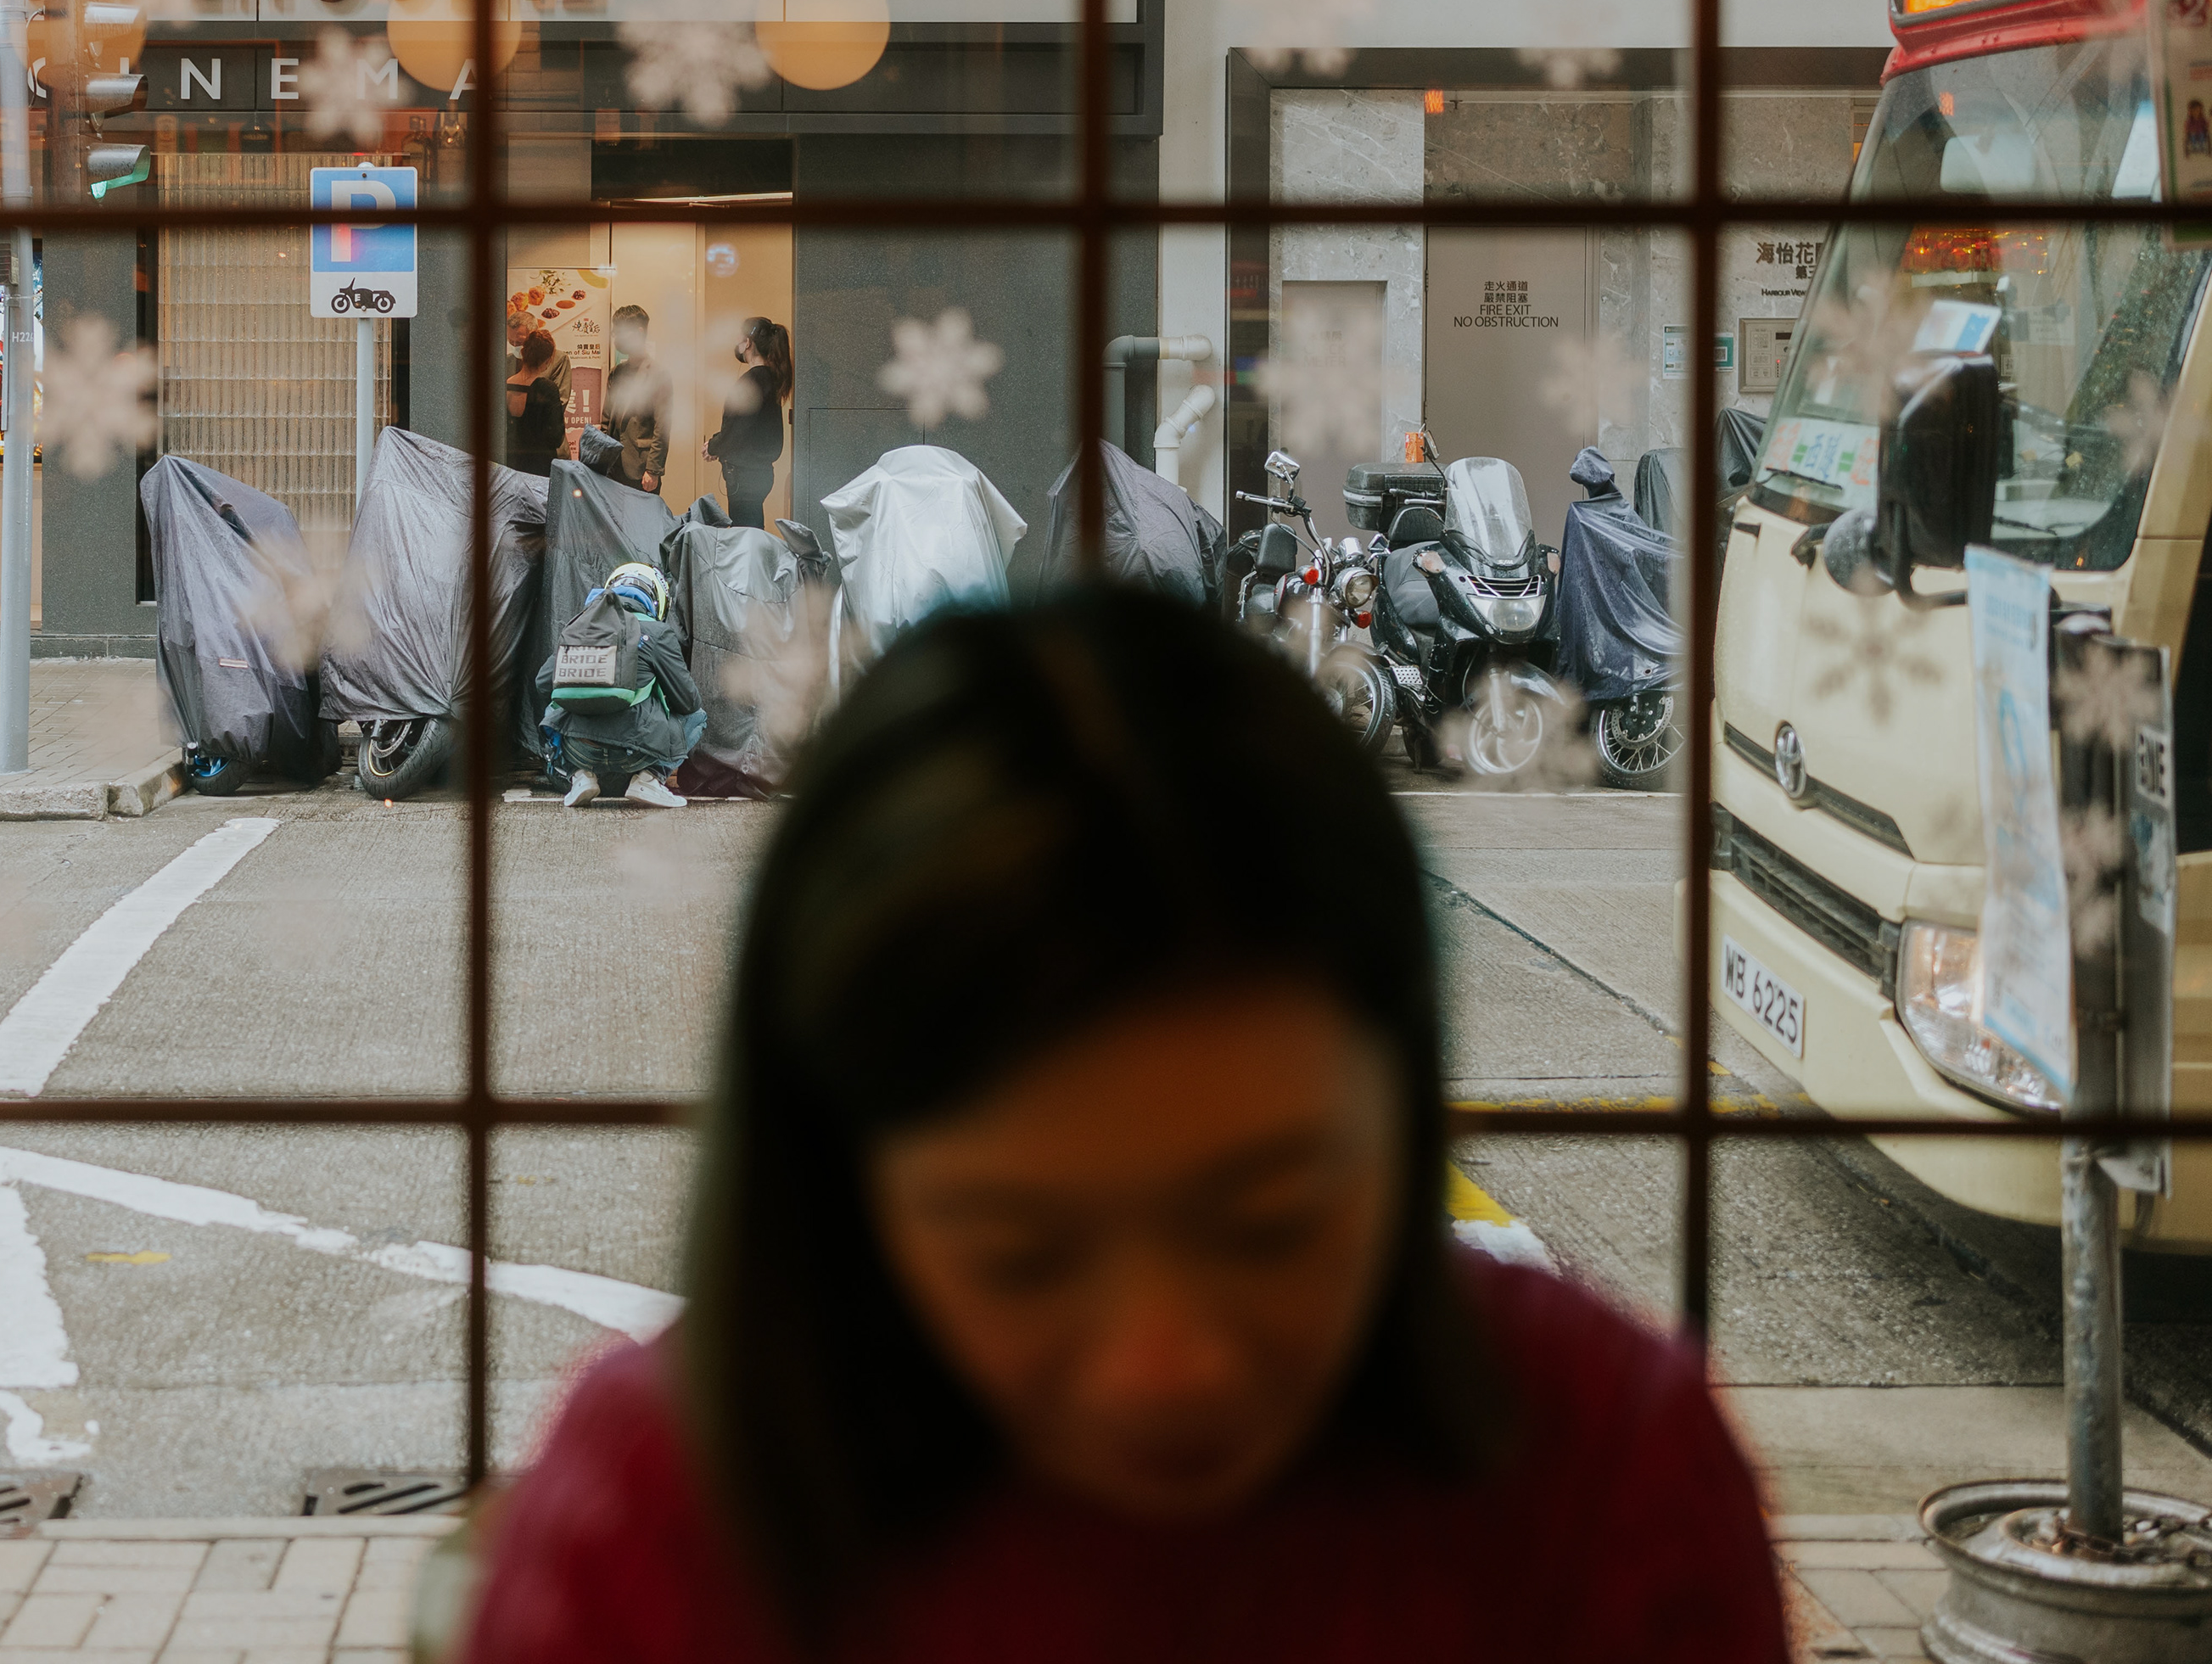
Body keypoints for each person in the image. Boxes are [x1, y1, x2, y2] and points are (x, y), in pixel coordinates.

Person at [460, 586, 1784, 1662]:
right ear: (832, 1178)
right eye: (1019, 1252)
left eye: (1273, 1224)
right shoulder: (658, 1524)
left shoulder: (1605, 1479)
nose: (1167, 1364)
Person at [546, 560, 702, 810]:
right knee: (698, 716)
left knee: (553, 707)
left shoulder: (580, 627)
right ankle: (650, 779)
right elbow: (688, 702)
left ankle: (578, 776)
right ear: (656, 598)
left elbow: (544, 683)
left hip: (579, 750)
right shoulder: (658, 632)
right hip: (636, 754)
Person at [703, 316, 792, 529]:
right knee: (752, 531)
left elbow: (737, 429)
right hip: (760, 473)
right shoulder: (771, 378)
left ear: (748, 343)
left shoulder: (751, 382)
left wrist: (713, 446)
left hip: (744, 475)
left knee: (745, 535)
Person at [608, 305, 669, 496]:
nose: (616, 338)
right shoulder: (617, 372)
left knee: (643, 524)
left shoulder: (659, 373)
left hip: (641, 468)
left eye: (620, 332)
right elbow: (606, 418)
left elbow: (663, 427)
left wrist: (653, 470)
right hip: (612, 467)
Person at [505, 329, 568, 478]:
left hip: (511, 464)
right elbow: (556, 437)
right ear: (547, 360)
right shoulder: (547, 389)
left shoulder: (506, 384)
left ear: (524, 354)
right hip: (540, 468)